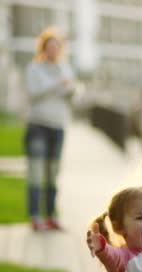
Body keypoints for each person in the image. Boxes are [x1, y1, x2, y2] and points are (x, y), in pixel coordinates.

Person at [24, 27, 76, 231]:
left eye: (57, 46)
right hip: (38, 126)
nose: (53, 50)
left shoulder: (65, 68)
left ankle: (51, 215)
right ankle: (35, 216)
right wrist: (57, 85)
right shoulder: (34, 69)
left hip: (58, 126)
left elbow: (71, 94)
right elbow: (34, 92)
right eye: (50, 46)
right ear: (43, 48)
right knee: (37, 173)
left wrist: (70, 90)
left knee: (53, 173)